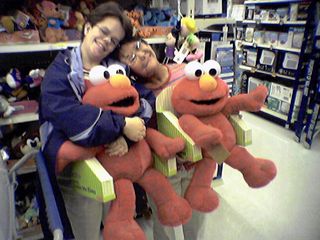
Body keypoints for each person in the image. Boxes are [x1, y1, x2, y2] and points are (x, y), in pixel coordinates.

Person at [38, 3, 154, 240]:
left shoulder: (115, 68)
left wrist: (126, 138)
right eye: (103, 32)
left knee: (112, 223)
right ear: (88, 27)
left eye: (113, 40)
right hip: (78, 171)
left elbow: (143, 102)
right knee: (86, 230)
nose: (106, 42)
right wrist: (121, 126)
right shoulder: (61, 71)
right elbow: (71, 119)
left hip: (111, 162)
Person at [116, 37, 208, 240]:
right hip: (165, 171)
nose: (140, 55)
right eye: (131, 57)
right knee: (167, 227)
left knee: (196, 223)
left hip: (197, 165)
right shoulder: (136, 96)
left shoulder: (185, 70)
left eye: (140, 46)